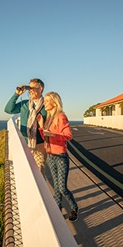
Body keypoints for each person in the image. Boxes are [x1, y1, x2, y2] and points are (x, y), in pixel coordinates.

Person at [37, 91, 78, 222]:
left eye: (47, 101)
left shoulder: (61, 116)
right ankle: (57, 210)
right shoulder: (49, 118)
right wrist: (42, 126)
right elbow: (46, 137)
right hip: (51, 156)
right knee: (56, 187)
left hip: (60, 156)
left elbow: (68, 136)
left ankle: (74, 207)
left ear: (54, 103)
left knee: (62, 188)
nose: (44, 103)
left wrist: (53, 135)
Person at [4, 78, 47, 175]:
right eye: (29, 88)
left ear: (40, 89)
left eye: (32, 88)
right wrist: (16, 94)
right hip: (25, 142)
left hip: (40, 144)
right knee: (25, 171)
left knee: (39, 173)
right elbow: (8, 110)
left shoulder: (46, 105)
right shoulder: (25, 104)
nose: (30, 90)